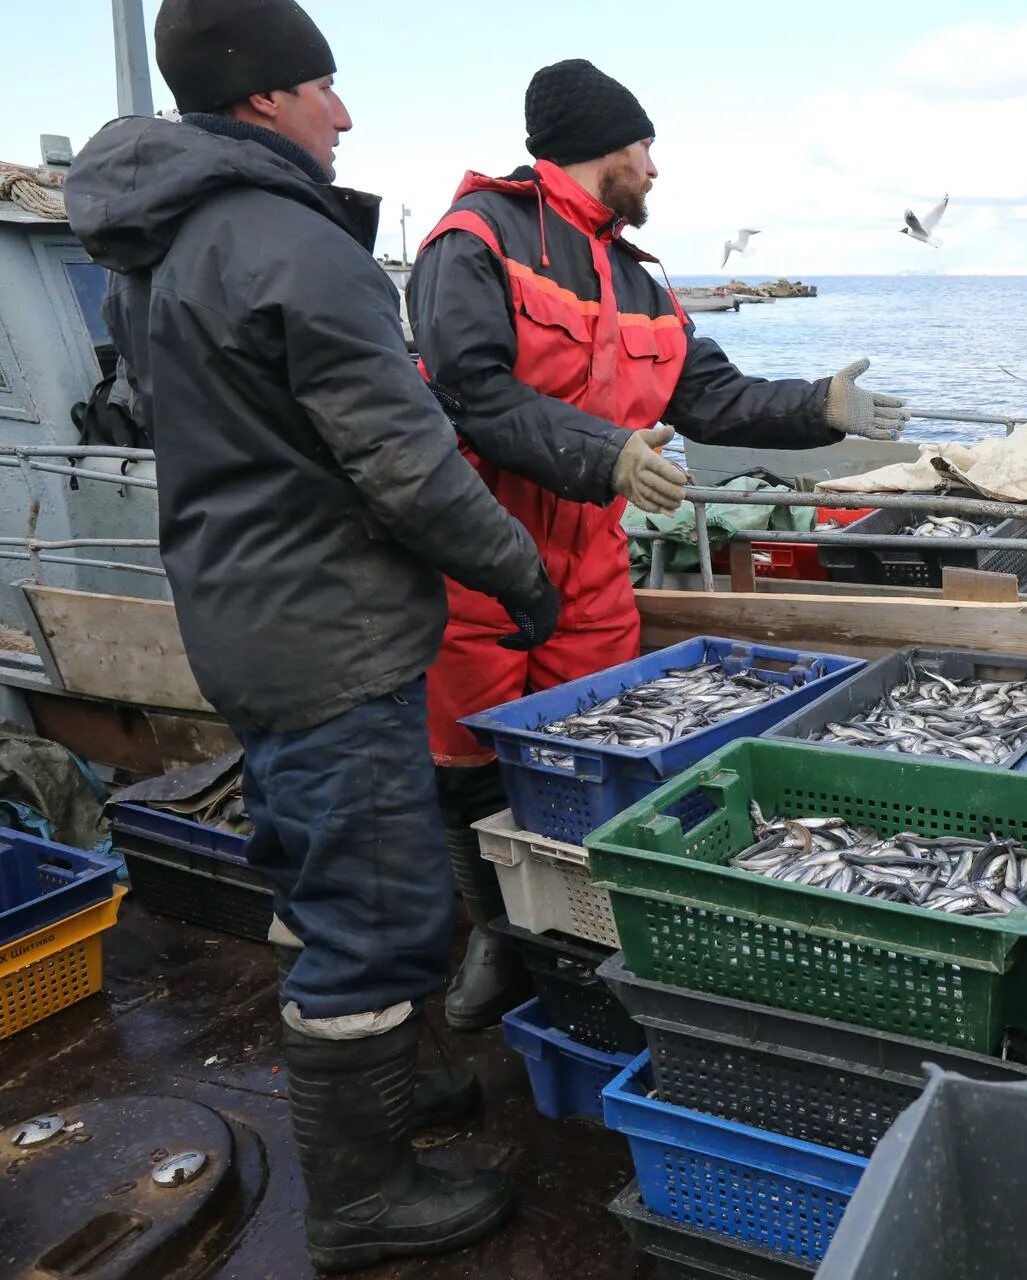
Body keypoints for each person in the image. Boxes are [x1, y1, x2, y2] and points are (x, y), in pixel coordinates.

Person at [65, 0, 550, 1268]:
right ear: (263, 98)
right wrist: (518, 571)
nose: (345, 113)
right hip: (333, 633)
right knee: (379, 909)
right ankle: (362, 1194)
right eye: (326, 87)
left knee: (309, 863)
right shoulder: (289, 239)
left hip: (243, 617)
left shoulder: (158, 242)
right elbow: (406, 459)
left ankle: (389, 1091)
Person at [406, 57, 909, 1027]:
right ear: (605, 148)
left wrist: (822, 406)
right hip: (474, 557)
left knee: (593, 755)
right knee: (467, 762)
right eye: (645, 148)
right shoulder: (473, 241)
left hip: (591, 570)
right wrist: (610, 454)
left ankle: (581, 934)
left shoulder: (641, 282)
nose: (655, 168)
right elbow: (470, 389)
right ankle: (497, 935)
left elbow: (711, 398)